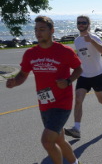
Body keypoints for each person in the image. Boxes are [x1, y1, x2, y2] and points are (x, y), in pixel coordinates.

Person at [6, 16, 82, 164]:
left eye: (42, 29)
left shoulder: (64, 51)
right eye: (36, 30)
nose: (38, 33)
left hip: (62, 103)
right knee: (59, 140)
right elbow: (23, 74)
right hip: (44, 103)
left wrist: (68, 81)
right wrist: (15, 82)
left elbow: (78, 68)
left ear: (52, 31)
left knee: (47, 141)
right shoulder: (30, 53)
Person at [64, 15, 102, 139]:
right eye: (79, 22)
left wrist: (91, 41)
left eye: (83, 22)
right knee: (78, 99)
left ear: (89, 25)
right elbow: (81, 56)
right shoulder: (77, 40)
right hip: (83, 75)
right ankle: (76, 128)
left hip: (97, 74)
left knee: (101, 99)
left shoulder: (94, 37)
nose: (81, 24)